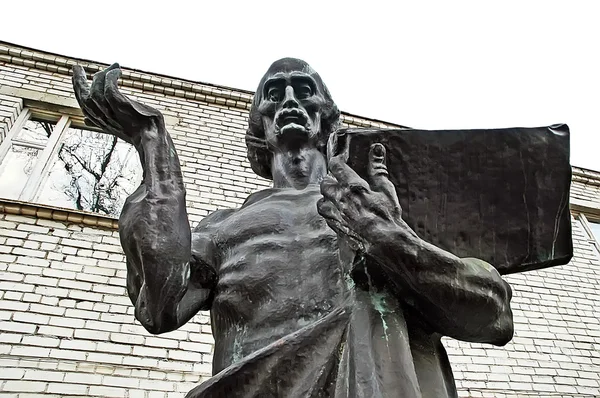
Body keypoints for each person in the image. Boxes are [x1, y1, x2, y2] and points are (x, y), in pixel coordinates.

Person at [72, 58, 513, 398]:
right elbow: (160, 305)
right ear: (259, 124)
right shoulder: (225, 227)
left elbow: (491, 312)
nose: (288, 99)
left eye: (303, 89)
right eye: (273, 92)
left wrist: (388, 240)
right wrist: (153, 146)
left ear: (328, 118)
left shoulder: (378, 207)